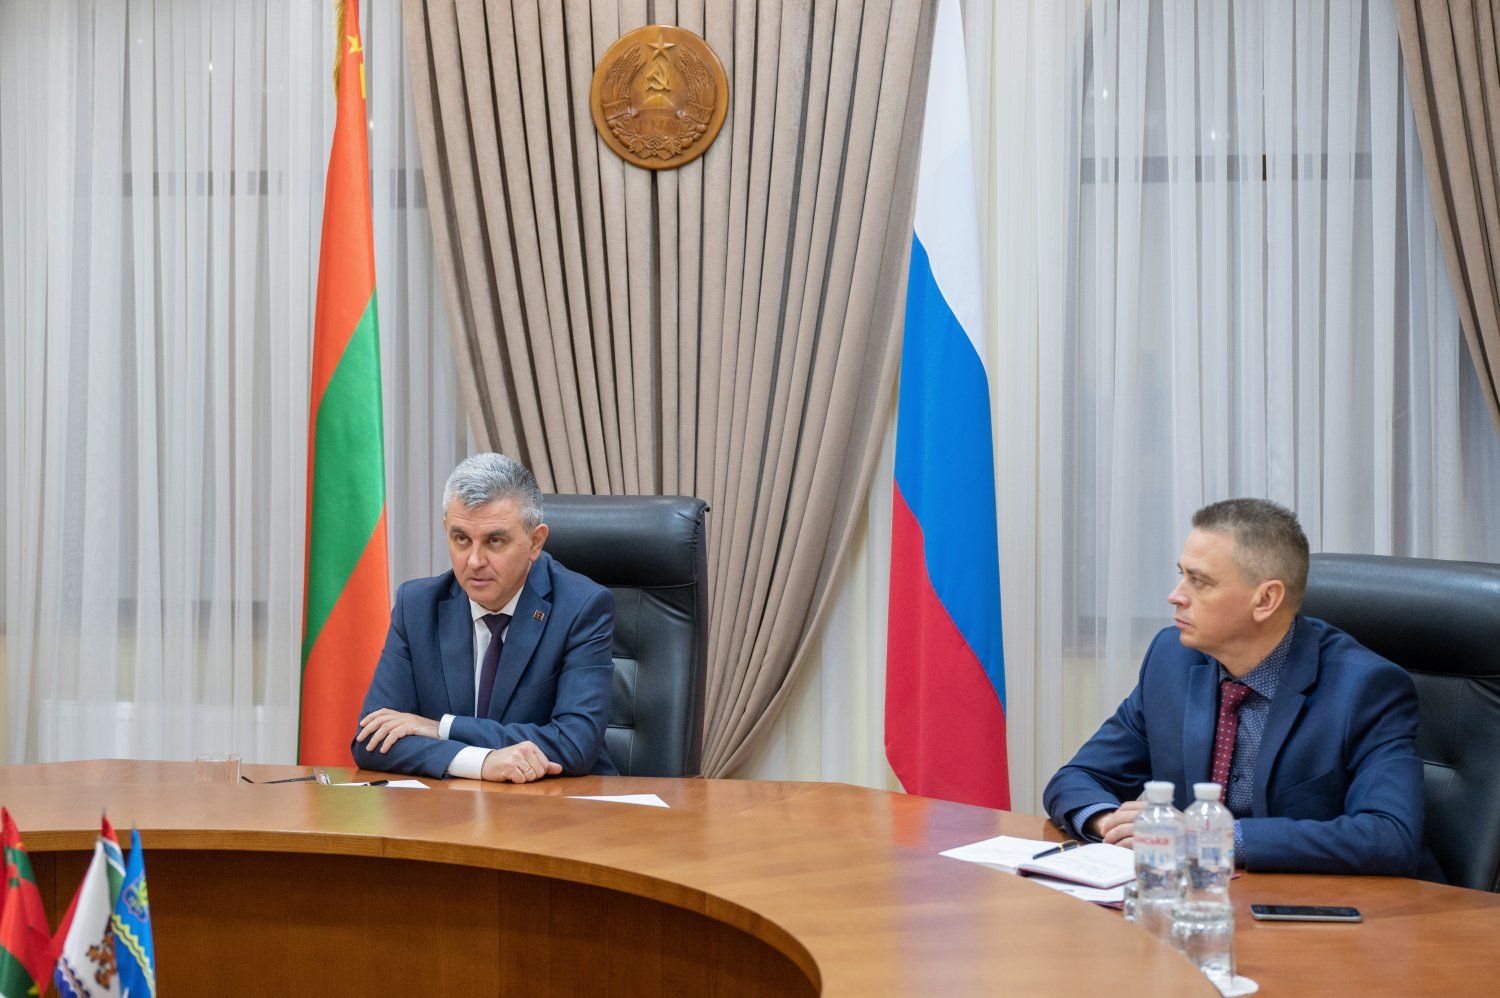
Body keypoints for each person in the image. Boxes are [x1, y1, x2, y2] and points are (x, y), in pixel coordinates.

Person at [1043, 498, 1440, 878]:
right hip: (1201, 899)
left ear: (1265, 599)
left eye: (1199, 582)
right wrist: (1108, 821)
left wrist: (1210, 838)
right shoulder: (1172, 659)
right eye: (1182, 574)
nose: (1175, 596)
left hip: (1330, 912)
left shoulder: (1365, 688)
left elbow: (1389, 836)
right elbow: (1078, 777)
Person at [352, 453, 617, 782]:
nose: (474, 561)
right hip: (455, 806)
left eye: (494, 541)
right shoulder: (418, 605)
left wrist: (442, 728)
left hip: (562, 805)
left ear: (535, 542)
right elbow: (372, 741)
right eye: (461, 539)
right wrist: (481, 762)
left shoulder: (581, 607)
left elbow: (574, 744)